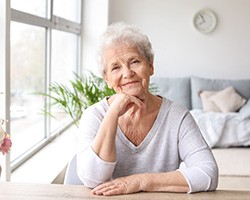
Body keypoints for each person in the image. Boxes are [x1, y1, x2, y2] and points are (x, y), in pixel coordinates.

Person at [76, 22, 218, 196]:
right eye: (116, 67)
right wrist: (112, 114)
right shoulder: (94, 115)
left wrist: (139, 181)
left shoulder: (177, 116)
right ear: (107, 79)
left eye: (134, 61)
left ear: (150, 66)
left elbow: (208, 173)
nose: (127, 73)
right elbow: (92, 179)